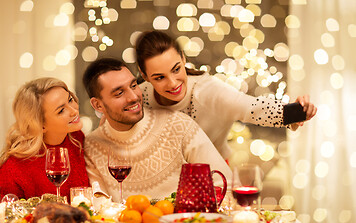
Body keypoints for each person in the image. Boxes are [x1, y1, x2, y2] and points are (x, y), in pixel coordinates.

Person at [135, 30, 318, 160]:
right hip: (161, 184)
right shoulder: (140, 96)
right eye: (159, 78)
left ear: (183, 58)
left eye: (176, 69)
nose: (173, 83)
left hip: (214, 177)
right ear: (144, 76)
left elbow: (252, 108)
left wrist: (295, 113)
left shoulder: (208, 91)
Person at [82, 58, 232, 201]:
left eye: (133, 86)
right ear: (97, 105)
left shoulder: (177, 124)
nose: (133, 97)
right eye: (119, 93)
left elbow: (226, 185)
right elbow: (101, 206)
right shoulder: (92, 145)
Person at [0, 78, 90, 200]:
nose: (74, 111)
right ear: (40, 124)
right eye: (61, 110)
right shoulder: (14, 169)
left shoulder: (76, 138)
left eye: (70, 100)